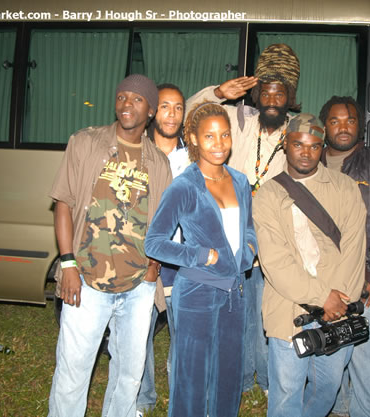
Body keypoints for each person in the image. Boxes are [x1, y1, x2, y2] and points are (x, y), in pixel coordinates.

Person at [47, 74, 172, 417]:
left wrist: (152, 267)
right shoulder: (86, 142)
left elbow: (161, 221)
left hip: (137, 287)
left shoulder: (158, 162)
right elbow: (63, 203)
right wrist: (68, 264)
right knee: (74, 370)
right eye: (122, 97)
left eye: (136, 99)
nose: (126, 104)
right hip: (86, 280)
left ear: (150, 110)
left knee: (129, 376)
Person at [186, 43, 301, 394]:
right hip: (232, 233)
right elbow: (190, 117)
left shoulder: (299, 130)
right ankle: (240, 377)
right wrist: (218, 93)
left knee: (270, 307)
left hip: (277, 237)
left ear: (290, 96)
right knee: (237, 306)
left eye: (279, 91)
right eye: (264, 89)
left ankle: (267, 378)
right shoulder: (237, 120)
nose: (270, 97)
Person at [144, 102, 258, 417]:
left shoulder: (240, 181)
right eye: (209, 136)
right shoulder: (185, 186)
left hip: (234, 294)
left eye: (224, 136)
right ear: (193, 139)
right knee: (190, 380)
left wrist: (248, 252)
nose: (218, 144)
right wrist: (200, 255)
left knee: (229, 377)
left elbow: (249, 228)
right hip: (196, 293)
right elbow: (154, 243)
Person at [253, 113, 367, 417]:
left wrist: (338, 298)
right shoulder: (269, 194)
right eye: (298, 144)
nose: (306, 152)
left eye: (315, 146)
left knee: (327, 388)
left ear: (323, 147)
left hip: (337, 309)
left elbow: (355, 247)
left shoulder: (344, 187)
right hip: (289, 310)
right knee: (287, 393)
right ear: (285, 145)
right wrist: (321, 297)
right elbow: (275, 261)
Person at [319, 96, 370, 417]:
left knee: (364, 351)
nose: (343, 127)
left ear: (360, 126)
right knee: (328, 346)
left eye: (350, 120)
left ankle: (369, 412)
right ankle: (338, 408)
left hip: (363, 277)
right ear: (324, 126)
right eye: (335, 121)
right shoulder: (311, 161)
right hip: (321, 278)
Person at [136, 83, 189, 416]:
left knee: (185, 336)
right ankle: (142, 399)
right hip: (144, 260)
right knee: (139, 332)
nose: (172, 114)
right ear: (154, 110)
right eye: (165, 106)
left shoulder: (195, 155)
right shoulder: (135, 151)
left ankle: (183, 397)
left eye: (179, 107)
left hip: (183, 261)